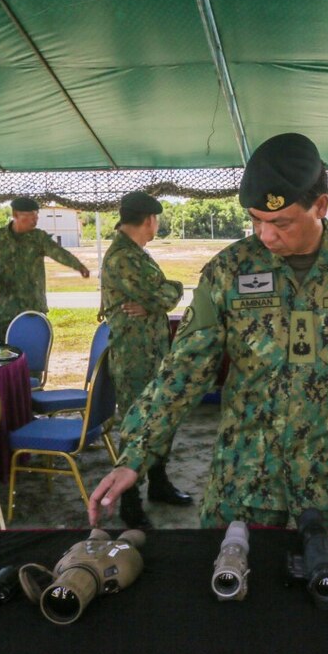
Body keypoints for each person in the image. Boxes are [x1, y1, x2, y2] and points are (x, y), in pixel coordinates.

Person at [88, 132, 328, 530]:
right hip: (243, 480)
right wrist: (134, 453)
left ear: (320, 206)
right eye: (256, 220)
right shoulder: (230, 271)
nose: (266, 236)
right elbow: (183, 369)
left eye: (281, 222)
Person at [100, 191, 191, 529]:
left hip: (151, 353)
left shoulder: (136, 253)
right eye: (157, 220)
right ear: (149, 220)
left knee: (160, 417)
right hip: (134, 357)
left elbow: (164, 291)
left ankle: (158, 483)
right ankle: (130, 501)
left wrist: (160, 297)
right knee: (136, 425)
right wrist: (165, 295)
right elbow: (165, 291)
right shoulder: (123, 257)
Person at [0, 197, 90, 342]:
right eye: (30, 216)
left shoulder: (39, 238)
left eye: (36, 216)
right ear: (16, 215)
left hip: (33, 306)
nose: (35, 221)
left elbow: (58, 253)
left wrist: (78, 266)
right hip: (4, 306)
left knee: (32, 349)